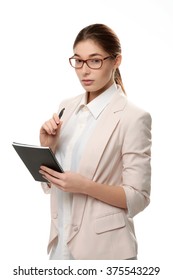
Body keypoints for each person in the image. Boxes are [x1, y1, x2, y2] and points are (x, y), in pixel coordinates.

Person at [39, 23, 152, 260]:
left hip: (106, 252)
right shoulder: (65, 108)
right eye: (78, 61)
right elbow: (51, 184)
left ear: (116, 60)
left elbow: (138, 198)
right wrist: (47, 147)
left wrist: (85, 186)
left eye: (95, 61)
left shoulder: (133, 117)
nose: (84, 71)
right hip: (60, 246)